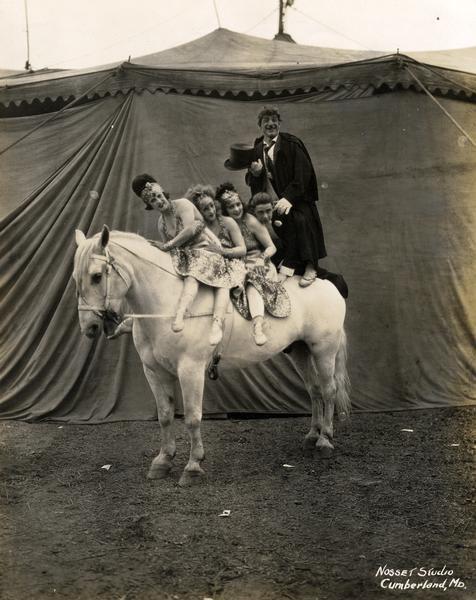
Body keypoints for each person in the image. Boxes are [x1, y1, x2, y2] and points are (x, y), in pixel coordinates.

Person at [126, 174, 241, 346]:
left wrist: (167, 245)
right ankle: (138, 319)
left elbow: (190, 230)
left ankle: (200, 319)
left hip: (207, 250)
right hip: (186, 257)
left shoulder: (183, 205)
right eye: (153, 200)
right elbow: (171, 250)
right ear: (150, 205)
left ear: (163, 193)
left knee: (192, 276)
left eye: (159, 195)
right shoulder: (161, 223)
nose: (159, 201)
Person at [244, 105, 327, 287]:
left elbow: (303, 174)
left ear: (279, 123)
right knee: (254, 225)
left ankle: (310, 265)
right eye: (266, 121)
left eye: (274, 120)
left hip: (295, 199)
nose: (271, 124)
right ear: (260, 125)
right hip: (269, 204)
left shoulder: (291, 144)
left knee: (300, 219)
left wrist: (289, 198)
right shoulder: (257, 149)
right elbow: (250, 181)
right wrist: (255, 174)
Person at [215, 182, 290, 345]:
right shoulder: (224, 224)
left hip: (258, 261)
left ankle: (257, 326)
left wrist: (262, 259)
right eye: (231, 207)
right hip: (236, 264)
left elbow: (271, 247)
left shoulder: (250, 220)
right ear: (224, 210)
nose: (236, 209)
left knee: (251, 282)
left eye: (237, 204)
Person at [249, 191, 349, 299]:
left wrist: (284, 272)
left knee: (329, 280)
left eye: (268, 211)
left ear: (273, 207)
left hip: (291, 260)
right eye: (260, 212)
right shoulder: (251, 224)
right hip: (270, 262)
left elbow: (293, 246)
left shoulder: (284, 218)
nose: (265, 216)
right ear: (254, 212)